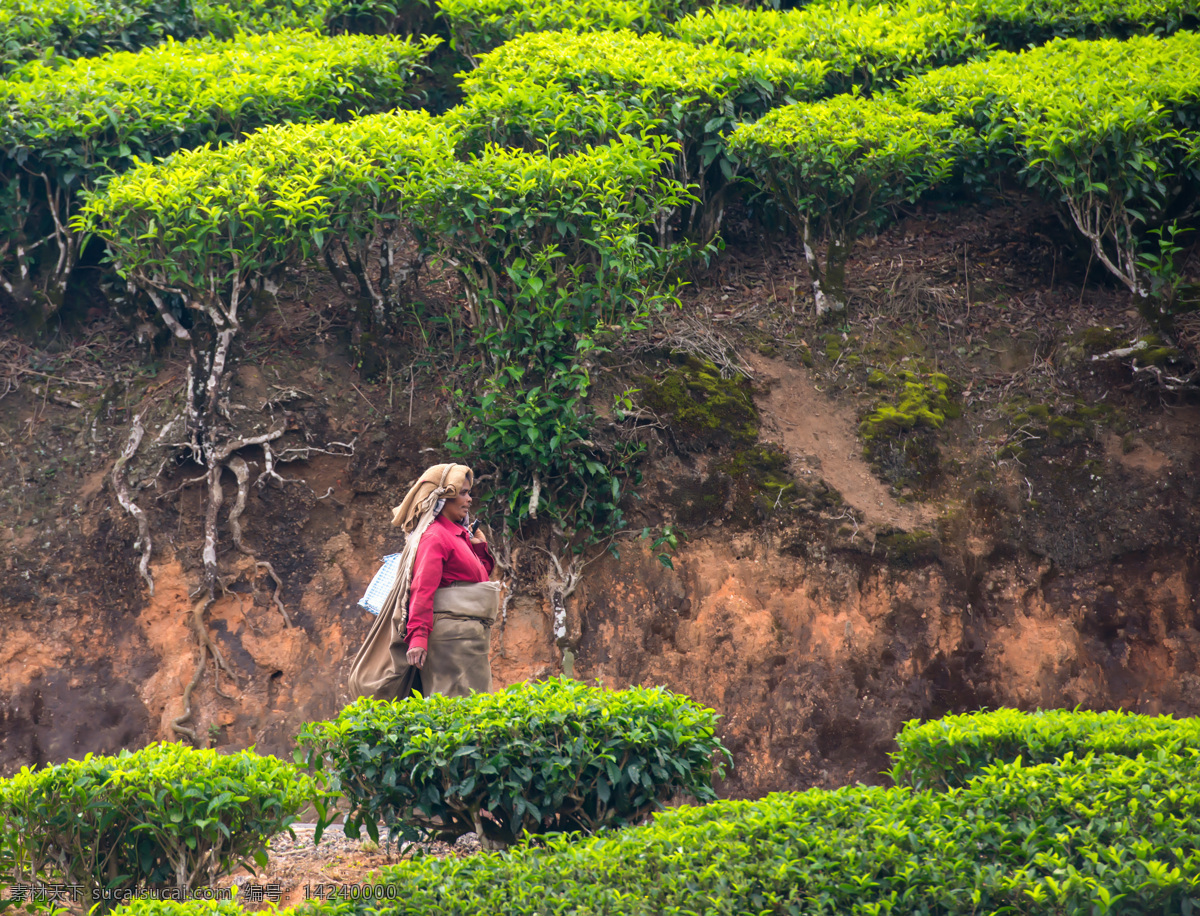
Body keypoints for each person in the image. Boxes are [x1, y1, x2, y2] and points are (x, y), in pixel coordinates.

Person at [347, 463, 501, 701]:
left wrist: (479, 548)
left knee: (474, 709)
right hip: (452, 641)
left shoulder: (457, 535)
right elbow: (421, 588)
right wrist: (418, 637)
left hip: (469, 638)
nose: (469, 499)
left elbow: (474, 580)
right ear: (441, 498)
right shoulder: (435, 537)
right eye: (462, 493)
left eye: (469, 492)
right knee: (458, 710)